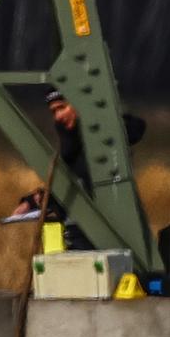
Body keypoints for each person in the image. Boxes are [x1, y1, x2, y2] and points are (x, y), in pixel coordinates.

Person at [39, 89, 147, 250]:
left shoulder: (102, 135)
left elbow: (135, 129)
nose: (58, 117)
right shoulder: (68, 142)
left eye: (62, 108)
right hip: (77, 226)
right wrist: (33, 200)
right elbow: (68, 179)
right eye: (54, 112)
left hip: (109, 225)